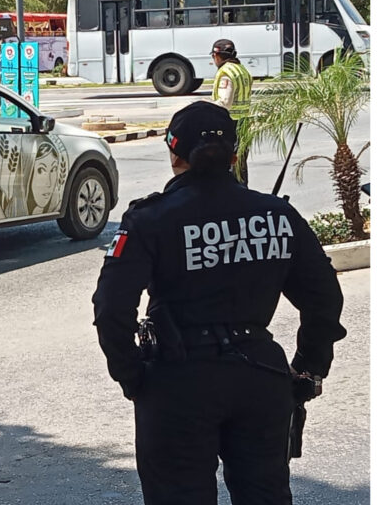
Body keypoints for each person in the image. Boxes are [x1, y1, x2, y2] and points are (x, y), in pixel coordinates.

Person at [92, 101, 345, 504]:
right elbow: (325, 299)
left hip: (178, 381)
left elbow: (111, 309)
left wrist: (133, 377)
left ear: (175, 154)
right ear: (234, 154)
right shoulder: (278, 214)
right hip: (262, 377)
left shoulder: (151, 219)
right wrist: (309, 369)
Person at [210, 39, 252, 183]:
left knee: (230, 163)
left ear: (217, 55)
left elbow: (224, 102)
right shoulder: (242, 70)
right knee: (240, 164)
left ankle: (232, 197)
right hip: (245, 122)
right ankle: (243, 196)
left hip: (229, 124)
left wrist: (206, 107)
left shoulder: (226, 72)